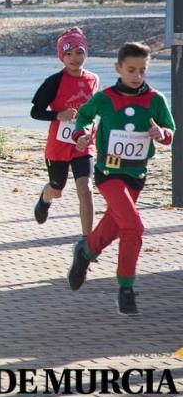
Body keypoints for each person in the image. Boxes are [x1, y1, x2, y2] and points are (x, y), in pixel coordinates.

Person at [67, 42, 174, 315]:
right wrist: (81, 135)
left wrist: (161, 134)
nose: (136, 76)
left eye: (142, 70)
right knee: (134, 227)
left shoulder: (155, 99)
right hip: (109, 173)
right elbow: (85, 117)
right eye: (130, 70)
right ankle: (126, 288)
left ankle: (85, 252)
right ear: (118, 68)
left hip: (136, 174)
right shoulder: (105, 97)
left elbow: (169, 131)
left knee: (115, 227)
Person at [31, 28, 99, 236]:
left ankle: (87, 243)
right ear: (61, 56)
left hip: (84, 144)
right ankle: (45, 197)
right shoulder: (54, 81)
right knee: (57, 190)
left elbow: (97, 110)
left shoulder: (93, 79)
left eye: (79, 52)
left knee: (85, 188)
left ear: (86, 52)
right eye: (68, 54)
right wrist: (58, 115)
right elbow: (36, 112)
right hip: (59, 146)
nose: (74, 58)